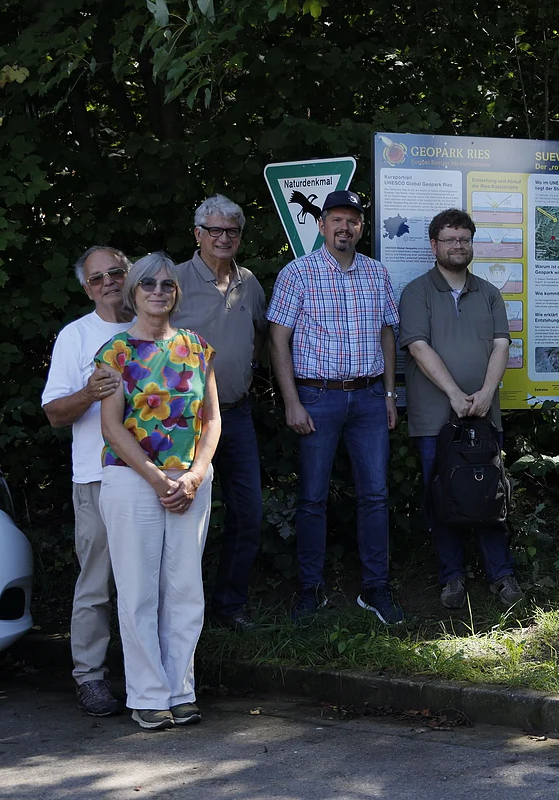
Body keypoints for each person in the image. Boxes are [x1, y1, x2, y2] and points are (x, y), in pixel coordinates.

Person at [96, 253, 220, 730]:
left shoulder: (198, 347)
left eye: (167, 284)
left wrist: (193, 476)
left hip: (190, 481)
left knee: (186, 590)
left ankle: (180, 690)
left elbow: (212, 420)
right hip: (133, 481)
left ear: (176, 293)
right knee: (138, 592)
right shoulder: (116, 352)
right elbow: (111, 427)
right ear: (133, 292)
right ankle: (148, 695)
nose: (158, 290)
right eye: (147, 283)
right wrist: (156, 477)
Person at [266, 190, 403, 625]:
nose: (345, 228)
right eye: (336, 220)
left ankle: (375, 589)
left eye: (353, 221)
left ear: (362, 227)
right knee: (311, 499)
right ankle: (310, 590)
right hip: (316, 397)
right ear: (322, 225)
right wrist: (291, 401)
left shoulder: (377, 274)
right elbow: (277, 339)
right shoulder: (298, 274)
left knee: (376, 496)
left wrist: (388, 395)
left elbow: (387, 335)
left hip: (367, 398)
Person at [398, 208, 522, 609]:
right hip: (435, 419)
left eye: (464, 239)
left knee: (490, 495)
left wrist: (486, 392)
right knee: (443, 496)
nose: (457, 246)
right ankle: (452, 578)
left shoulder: (488, 292)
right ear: (434, 245)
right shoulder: (416, 292)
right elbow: (418, 347)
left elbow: (502, 345)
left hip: (485, 417)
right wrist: (454, 394)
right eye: (450, 239)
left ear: (472, 245)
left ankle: (501, 575)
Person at [41, 246, 133, 717]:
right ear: (86, 287)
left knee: (148, 584)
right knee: (96, 585)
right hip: (96, 478)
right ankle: (90, 678)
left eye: (116, 272)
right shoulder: (75, 336)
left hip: (150, 479)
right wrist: (87, 393)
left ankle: (147, 679)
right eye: (98, 279)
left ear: (130, 273)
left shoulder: (155, 326)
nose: (109, 282)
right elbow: (55, 413)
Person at [172, 195, 267, 633]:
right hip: (183, 425)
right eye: (215, 230)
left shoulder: (250, 283)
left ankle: (230, 607)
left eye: (232, 231)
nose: (224, 238)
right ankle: (181, 613)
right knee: (184, 519)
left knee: (248, 514)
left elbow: (260, 339)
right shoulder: (170, 282)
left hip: (237, 415)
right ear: (197, 234)